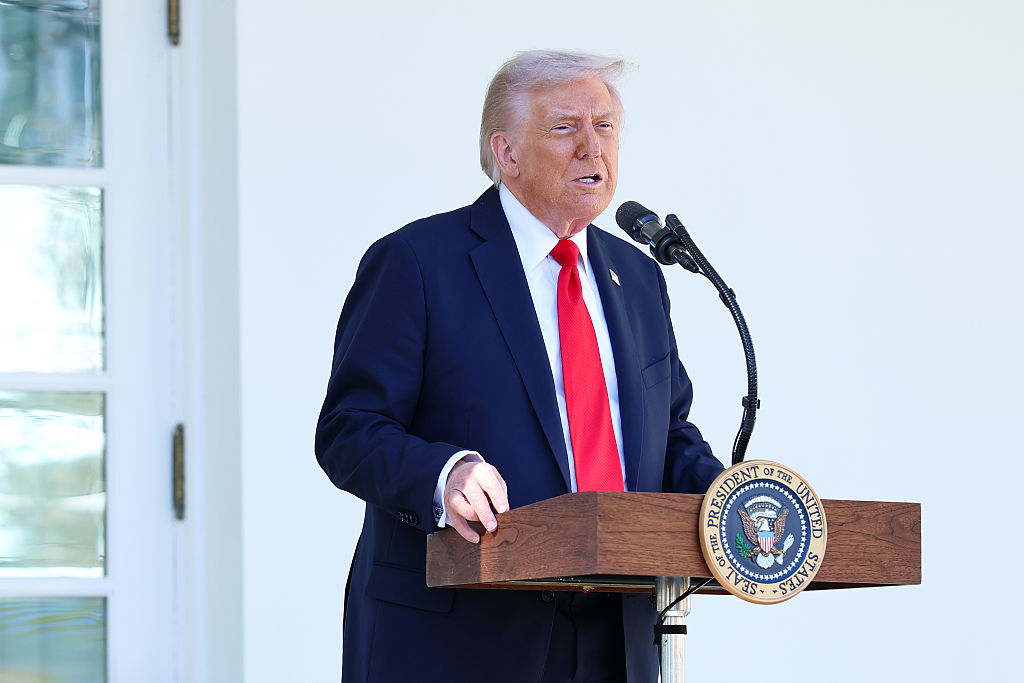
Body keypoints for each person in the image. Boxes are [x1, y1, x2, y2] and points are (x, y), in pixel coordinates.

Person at [316, 50, 724, 683]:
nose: (593, 148)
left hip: (618, 636)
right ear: (505, 153)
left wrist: (733, 499)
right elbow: (349, 429)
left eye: (606, 126)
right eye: (566, 127)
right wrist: (443, 474)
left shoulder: (638, 276)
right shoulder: (419, 263)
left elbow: (667, 439)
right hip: (458, 638)